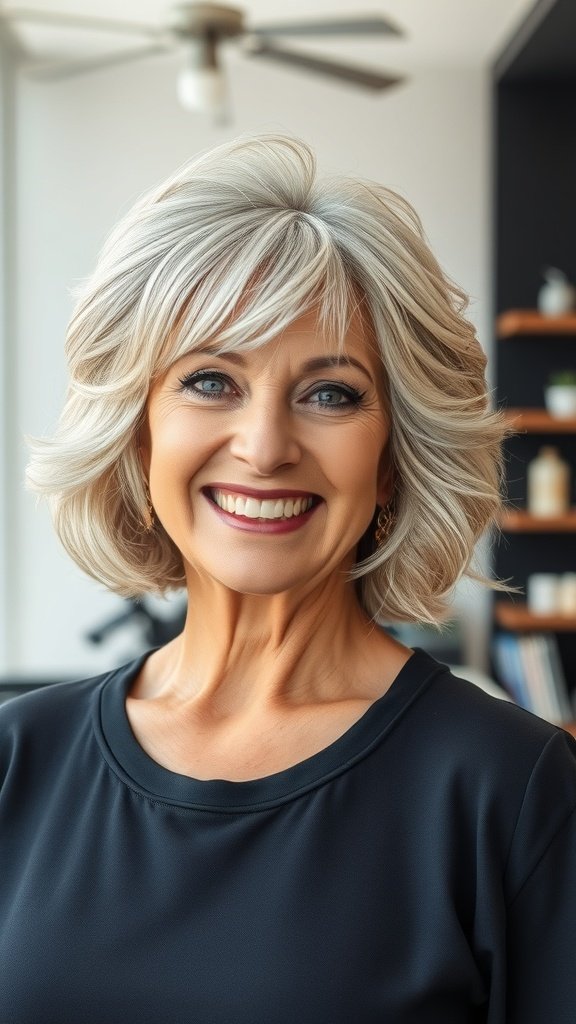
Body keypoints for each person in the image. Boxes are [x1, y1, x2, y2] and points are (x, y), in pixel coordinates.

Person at [1, 133, 575, 1024]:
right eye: (210, 381)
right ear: (138, 432)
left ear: (392, 458)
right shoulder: (15, 762)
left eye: (331, 393)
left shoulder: (508, 786)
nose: (265, 448)